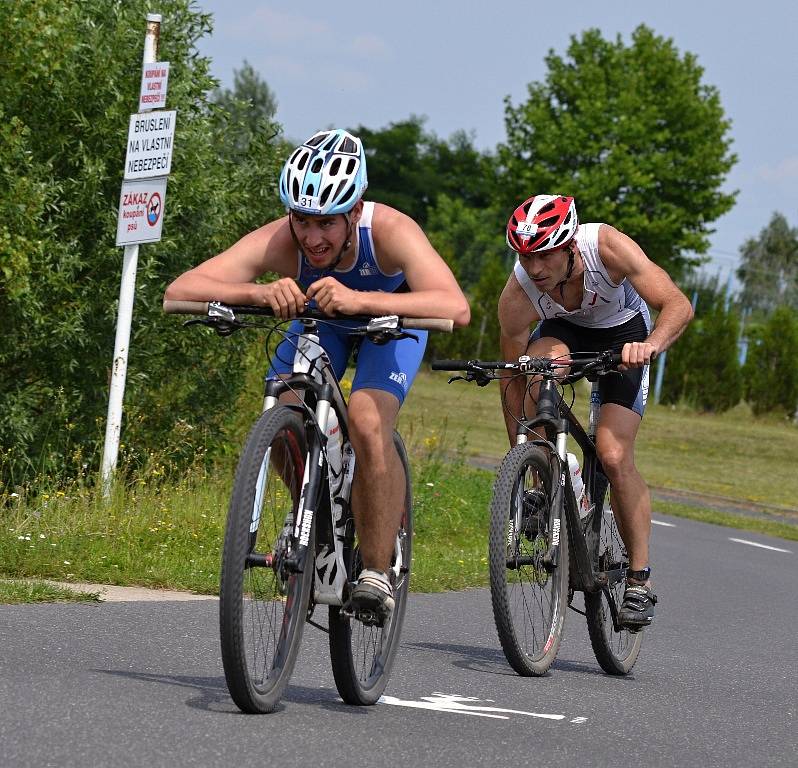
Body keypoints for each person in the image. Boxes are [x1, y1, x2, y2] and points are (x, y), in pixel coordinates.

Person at [165, 128, 470, 623]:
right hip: (319, 321)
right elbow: (181, 288)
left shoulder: (391, 230)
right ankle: (314, 523)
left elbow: (455, 307)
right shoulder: (283, 239)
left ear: (354, 211)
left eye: (326, 223)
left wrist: (360, 300)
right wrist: (261, 293)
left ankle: (375, 571)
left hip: (390, 324)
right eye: (302, 220)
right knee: (286, 405)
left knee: (370, 425)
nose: (312, 237)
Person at [497, 194, 693, 630]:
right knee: (535, 369)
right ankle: (553, 481)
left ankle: (639, 580)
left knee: (613, 454)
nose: (535, 269)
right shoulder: (519, 293)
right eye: (525, 257)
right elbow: (511, 385)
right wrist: (522, 461)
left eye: (544, 254)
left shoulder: (605, 247)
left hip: (625, 335)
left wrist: (651, 347)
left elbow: (677, 303)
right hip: (565, 334)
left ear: (569, 245)